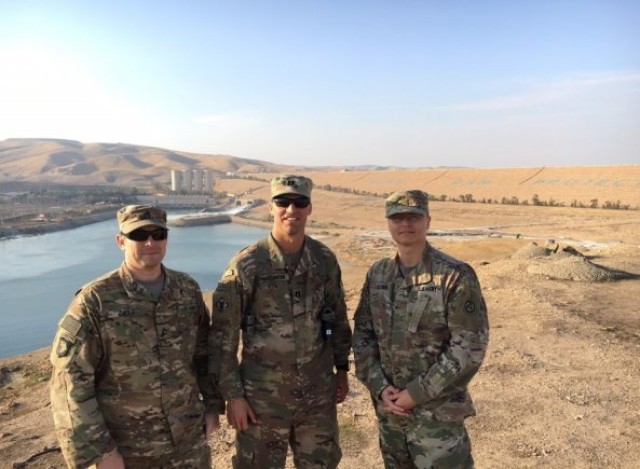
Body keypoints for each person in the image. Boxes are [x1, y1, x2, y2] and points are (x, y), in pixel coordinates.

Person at [50, 204, 222, 469]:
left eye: (158, 234)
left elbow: (203, 353)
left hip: (188, 443)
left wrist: (212, 405)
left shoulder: (186, 290)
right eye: (139, 235)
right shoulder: (95, 301)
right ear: (121, 241)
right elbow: (70, 381)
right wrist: (101, 452)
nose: (150, 242)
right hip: (128, 451)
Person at [211, 174, 352, 468]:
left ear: (309, 208)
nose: (292, 209)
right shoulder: (248, 264)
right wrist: (233, 396)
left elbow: (337, 319)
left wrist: (341, 370)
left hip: (316, 397)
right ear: (271, 207)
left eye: (300, 202)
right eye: (283, 202)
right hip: (262, 400)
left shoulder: (323, 260)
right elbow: (223, 337)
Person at [352, 190, 489, 469]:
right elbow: (363, 336)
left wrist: (416, 393)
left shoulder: (454, 275)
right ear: (388, 223)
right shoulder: (378, 274)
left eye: (413, 216)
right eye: (397, 217)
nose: (405, 224)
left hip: (436, 420)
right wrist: (380, 387)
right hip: (391, 418)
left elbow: (468, 348)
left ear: (427, 221)